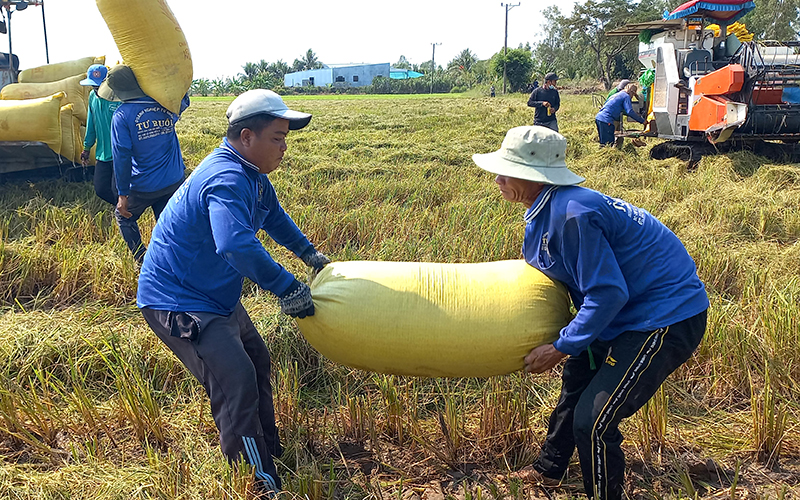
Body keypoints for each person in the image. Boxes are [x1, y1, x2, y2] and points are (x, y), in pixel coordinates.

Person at [472, 126, 709, 500]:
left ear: (536, 177)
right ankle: (549, 470)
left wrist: (561, 346)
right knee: (575, 386)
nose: (498, 178)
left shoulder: (572, 214)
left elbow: (609, 292)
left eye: (507, 170)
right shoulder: (544, 210)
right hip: (619, 313)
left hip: (662, 317)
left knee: (594, 421)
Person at [137, 89, 330, 496]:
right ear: (246, 136)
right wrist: (286, 286)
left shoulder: (252, 177)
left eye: (285, 139)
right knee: (237, 381)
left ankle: (268, 451)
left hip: (215, 293)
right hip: (179, 300)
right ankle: (259, 484)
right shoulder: (225, 177)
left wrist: (310, 255)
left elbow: (274, 218)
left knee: (258, 359)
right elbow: (235, 245)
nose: (283, 148)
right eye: (277, 138)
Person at [99, 64, 190, 263]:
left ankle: (142, 260)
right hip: (174, 180)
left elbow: (122, 156)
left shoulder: (121, 116)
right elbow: (183, 101)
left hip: (143, 186)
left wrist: (122, 195)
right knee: (169, 224)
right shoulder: (164, 104)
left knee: (123, 217)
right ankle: (175, 261)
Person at [79, 64, 120, 205]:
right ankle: (124, 211)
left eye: (99, 86)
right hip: (102, 154)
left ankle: (124, 217)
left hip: (120, 154)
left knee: (117, 190)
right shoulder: (92, 97)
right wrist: (86, 148)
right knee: (101, 189)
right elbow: (91, 125)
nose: (96, 89)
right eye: (94, 86)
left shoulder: (118, 97)